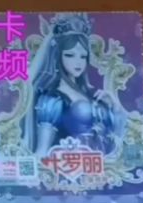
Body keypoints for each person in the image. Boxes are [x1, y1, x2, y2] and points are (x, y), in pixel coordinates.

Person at [23, 13, 124, 157]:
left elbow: (116, 139)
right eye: (69, 55)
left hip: (102, 164)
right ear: (58, 56)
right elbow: (42, 152)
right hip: (70, 165)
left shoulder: (93, 94)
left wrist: (115, 107)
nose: (78, 62)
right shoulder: (51, 98)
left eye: (83, 56)